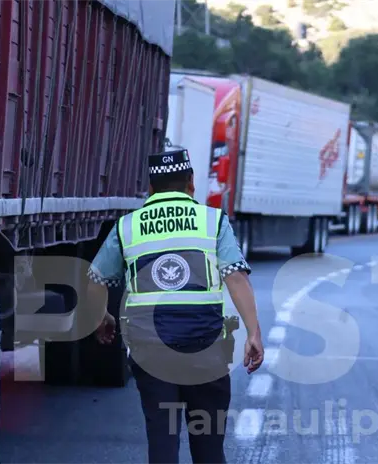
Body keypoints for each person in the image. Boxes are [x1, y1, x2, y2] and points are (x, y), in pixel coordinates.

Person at [85, 146, 264, 464]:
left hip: (151, 353)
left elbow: (96, 279)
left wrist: (102, 317)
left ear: (150, 188)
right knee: (209, 446)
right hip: (205, 350)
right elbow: (235, 277)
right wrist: (253, 333)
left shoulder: (128, 227)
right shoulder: (212, 221)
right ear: (191, 183)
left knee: (163, 443)